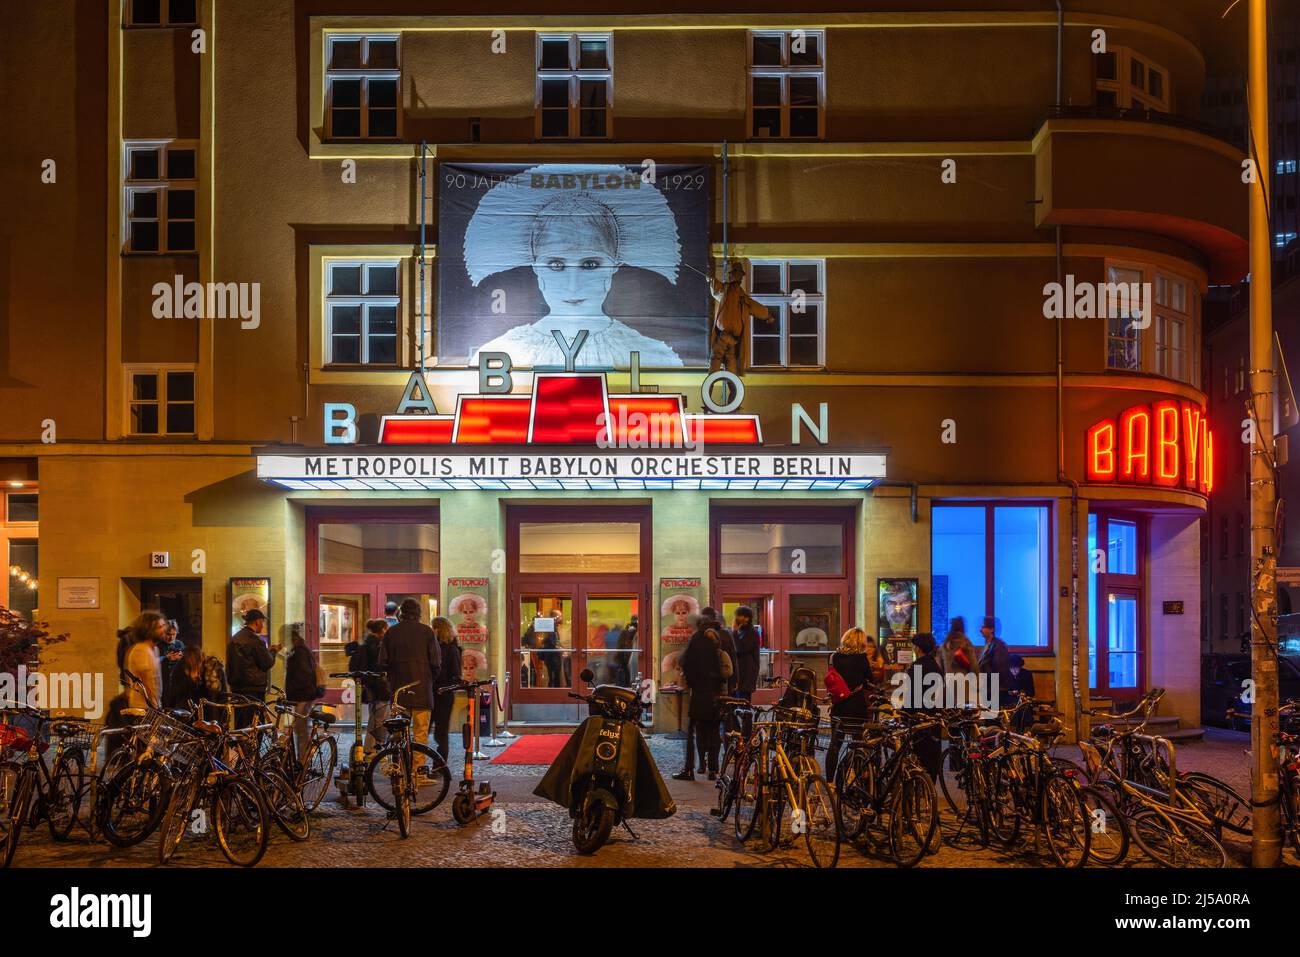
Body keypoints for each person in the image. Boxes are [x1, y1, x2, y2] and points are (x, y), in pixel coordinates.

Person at [465, 165, 688, 369]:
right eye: (556, 265)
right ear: (536, 267)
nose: (573, 286)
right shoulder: (499, 353)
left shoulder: (653, 355)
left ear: (614, 266)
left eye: (590, 264)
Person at [379, 597, 442, 774]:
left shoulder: (391, 633)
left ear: (401, 613)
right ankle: (417, 773)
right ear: (418, 613)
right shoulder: (427, 632)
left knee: (398, 734)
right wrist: (428, 679)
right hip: (422, 690)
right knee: (420, 735)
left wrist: (392, 677)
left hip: (399, 691)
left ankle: (398, 770)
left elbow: (382, 662)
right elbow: (436, 663)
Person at [674, 617, 725, 781]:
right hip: (714, 694)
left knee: (692, 731)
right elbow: (722, 668)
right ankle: (713, 769)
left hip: (699, 693)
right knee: (713, 731)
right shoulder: (718, 640)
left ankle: (689, 768)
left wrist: (691, 682)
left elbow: (686, 663)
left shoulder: (697, 639)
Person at [825, 628, 877, 782]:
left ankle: (829, 781)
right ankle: (859, 777)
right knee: (858, 743)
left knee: (835, 744)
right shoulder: (861, 658)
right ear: (859, 641)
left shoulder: (834, 657)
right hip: (856, 706)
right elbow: (870, 681)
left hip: (839, 706)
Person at [707, 259, 775, 375]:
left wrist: (767, 315)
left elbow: (755, 307)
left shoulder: (743, 297)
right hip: (723, 334)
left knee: (731, 361)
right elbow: (716, 289)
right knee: (716, 357)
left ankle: (732, 387)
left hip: (734, 338)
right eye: (735, 273)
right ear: (731, 275)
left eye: (739, 274)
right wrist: (711, 280)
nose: (737, 277)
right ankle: (710, 383)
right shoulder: (726, 289)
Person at [226, 608, 280, 727]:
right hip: (253, 690)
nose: (263, 625)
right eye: (262, 622)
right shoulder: (255, 641)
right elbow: (267, 662)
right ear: (257, 622)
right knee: (255, 726)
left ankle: (239, 746)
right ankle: (253, 746)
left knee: (240, 725)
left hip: (237, 689)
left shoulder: (235, 638)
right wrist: (273, 652)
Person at [348, 619, 392, 755]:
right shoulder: (378, 645)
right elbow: (380, 667)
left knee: (375, 718)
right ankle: (371, 749)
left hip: (371, 688)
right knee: (379, 720)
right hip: (380, 688)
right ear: (383, 629)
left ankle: (370, 748)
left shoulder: (367, 643)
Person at [908, 633, 944, 783]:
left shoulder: (917, 667)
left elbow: (912, 696)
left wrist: (904, 713)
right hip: (934, 715)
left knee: (918, 751)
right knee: (932, 752)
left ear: (917, 648)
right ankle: (930, 786)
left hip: (919, 716)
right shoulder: (935, 666)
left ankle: (918, 784)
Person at [284, 629, 322, 759]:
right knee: (300, 729)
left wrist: (294, 692)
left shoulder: (300, 652)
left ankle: (303, 761)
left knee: (301, 730)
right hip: (302, 695)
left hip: (303, 696)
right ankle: (302, 759)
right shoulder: (300, 650)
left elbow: (303, 675)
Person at [431, 616, 463, 762]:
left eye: (433, 627)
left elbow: (455, 674)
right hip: (431, 693)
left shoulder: (451, 648)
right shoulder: (433, 646)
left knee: (441, 732)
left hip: (443, 694)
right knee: (424, 729)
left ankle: (439, 765)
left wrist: (441, 683)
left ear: (439, 629)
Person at [124, 611, 165, 710]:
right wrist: (155, 706)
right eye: (159, 627)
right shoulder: (141, 650)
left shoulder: (154, 649)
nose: (164, 630)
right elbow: (146, 680)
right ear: (148, 630)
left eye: (163, 626)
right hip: (143, 708)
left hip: (152, 706)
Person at [978, 616, 1014, 706]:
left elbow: (999, 669)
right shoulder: (989, 645)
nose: (980, 629)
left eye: (983, 627)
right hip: (990, 688)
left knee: (991, 717)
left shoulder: (998, 646)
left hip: (995, 689)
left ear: (991, 629)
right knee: (989, 717)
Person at [1007, 654, 1036, 731]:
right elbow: (1002, 693)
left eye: (1017, 668)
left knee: (1024, 706)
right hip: (1009, 701)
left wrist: (1021, 692)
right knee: (1018, 707)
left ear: (1020, 667)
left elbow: (1031, 692)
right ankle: (1015, 731)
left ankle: (1025, 731)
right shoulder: (1005, 675)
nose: (1014, 671)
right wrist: (1011, 692)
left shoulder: (1027, 674)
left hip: (1023, 700)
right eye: (1012, 668)